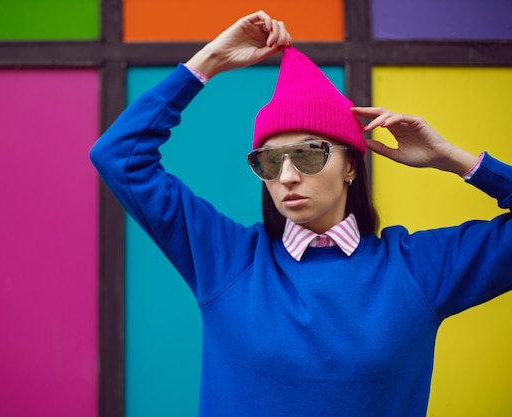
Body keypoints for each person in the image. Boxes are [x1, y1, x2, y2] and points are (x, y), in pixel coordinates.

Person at [90, 10, 512, 417]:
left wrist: (456, 160)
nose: (287, 176)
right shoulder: (226, 259)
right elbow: (117, 157)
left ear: (351, 167)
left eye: (309, 154)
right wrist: (209, 62)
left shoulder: (418, 269)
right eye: (270, 162)